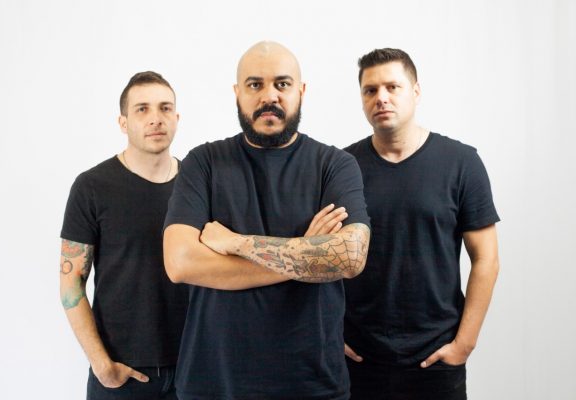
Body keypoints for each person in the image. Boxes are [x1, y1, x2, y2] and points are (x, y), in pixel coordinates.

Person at [163, 41, 371, 400]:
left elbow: (350, 257)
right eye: (255, 84)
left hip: (312, 385)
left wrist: (237, 244)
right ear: (237, 93)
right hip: (213, 384)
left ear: (301, 91)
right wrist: (308, 253)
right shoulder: (204, 163)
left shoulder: (335, 165)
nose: (269, 96)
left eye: (282, 84)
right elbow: (180, 264)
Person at [343, 48, 500, 400]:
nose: (381, 97)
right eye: (370, 90)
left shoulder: (461, 163)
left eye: (392, 87)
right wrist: (329, 334)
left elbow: (487, 259)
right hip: (359, 359)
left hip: (436, 359)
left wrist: (464, 344)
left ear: (415, 91)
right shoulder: (343, 167)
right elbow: (320, 257)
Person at [59, 71, 188, 400]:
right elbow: (71, 283)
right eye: (142, 109)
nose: (155, 118)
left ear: (177, 118)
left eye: (165, 108)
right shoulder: (92, 187)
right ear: (123, 123)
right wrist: (102, 365)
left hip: (193, 369)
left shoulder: (197, 184)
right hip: (122, 374)